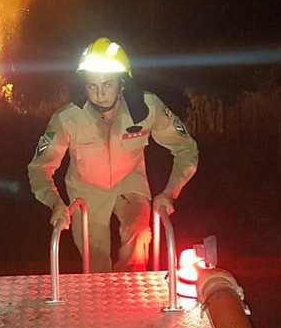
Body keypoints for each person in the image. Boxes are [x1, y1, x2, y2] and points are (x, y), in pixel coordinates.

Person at [27, 37, 199, 272]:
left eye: (107, 84)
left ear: (122, 82)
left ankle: (133, 284)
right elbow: (39, 168)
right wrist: (54, 202)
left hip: (130, 181)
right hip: (86, 189)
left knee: (139, 232)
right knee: (95, 261)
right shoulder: (67, 119)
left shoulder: (146, 108)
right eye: (92, 86)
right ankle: (101, 290)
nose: (99, 94)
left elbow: (186, 148)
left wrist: (170, 193)